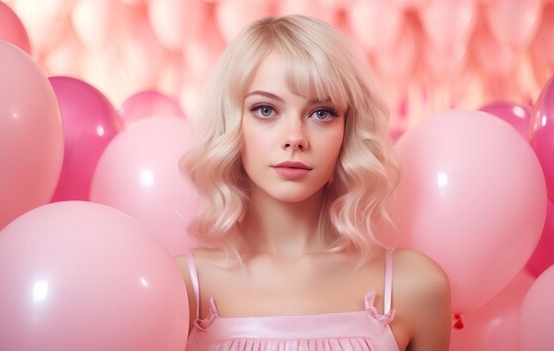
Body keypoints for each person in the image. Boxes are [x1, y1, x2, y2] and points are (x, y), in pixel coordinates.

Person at [175, 15, 451, 351]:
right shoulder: (181, 288)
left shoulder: (415, 286)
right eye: (265, 110)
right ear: (232, 123)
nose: (295, 138)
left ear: (347, 130)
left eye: (321, 113)